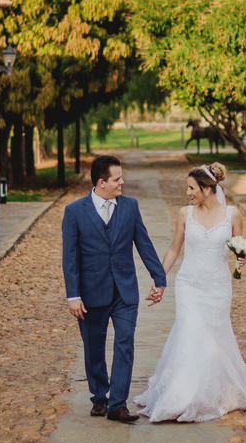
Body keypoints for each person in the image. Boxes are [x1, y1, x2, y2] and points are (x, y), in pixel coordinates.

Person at [134, 162, 246, 423]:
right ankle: (182, 395)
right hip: (189, 285)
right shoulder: (184, 214)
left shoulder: (233, 214)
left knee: (212, 341)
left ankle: (212, 393)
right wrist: (159, 280)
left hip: (217, 287)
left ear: (207, 189)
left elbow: (239, 248)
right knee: (191, 334)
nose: (188, 193)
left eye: (192, 188)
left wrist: (241, 262)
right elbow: (173, 250)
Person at [61, 155, 168, 422]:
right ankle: (99, 397)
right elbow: (70, 258)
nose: (122, 182)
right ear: (101, 183)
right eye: (117, 178)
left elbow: (144, 243)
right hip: (90, 293)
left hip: (124, 291)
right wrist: (73, 295)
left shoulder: (130, 207)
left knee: (124, 344)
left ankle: (117, 404)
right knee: (93, 347)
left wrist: (160, 278)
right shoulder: (75, 211)